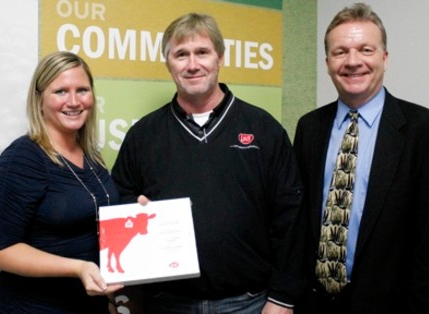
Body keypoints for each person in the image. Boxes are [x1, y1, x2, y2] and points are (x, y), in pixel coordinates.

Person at [111, 12, 305, 314]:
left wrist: (282, 299)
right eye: (181, 55)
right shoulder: (143, 136)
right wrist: (134, 208)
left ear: (220, 58)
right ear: (168, 63)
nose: (192, 64)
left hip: (249, 303)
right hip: (167, 304)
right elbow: (119, 205)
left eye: (202, 52)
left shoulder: (264, 130)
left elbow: (291, 219)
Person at [293, 3, 429, 314]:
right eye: (340, 52)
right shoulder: (309, 128)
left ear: (385, 57)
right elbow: (298, 226)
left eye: (365, 49)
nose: (353, 61)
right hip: (313, 305)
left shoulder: (427, 133)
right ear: (328, 62)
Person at [0, 51, 123, 313]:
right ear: (39, 101)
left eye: (82, 90)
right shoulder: (24, 157)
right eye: (61, 91)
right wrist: (77, 267)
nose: (73, 101)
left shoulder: (92, 157)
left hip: (89, 305)